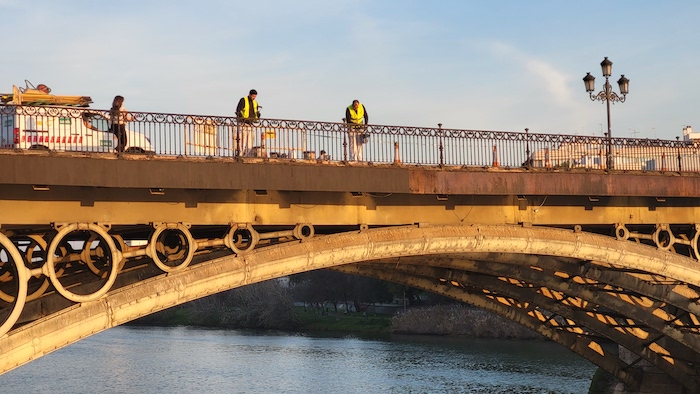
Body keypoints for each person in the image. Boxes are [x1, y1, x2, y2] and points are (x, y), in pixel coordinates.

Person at [236, 89, 260, 157]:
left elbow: (256, 112)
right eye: (253, 96)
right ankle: (240, 154)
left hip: (250, 124)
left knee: (250, 141)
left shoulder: (255, 103)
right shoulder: (243, 100)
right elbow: (238, 110)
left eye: (255, 96)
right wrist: (242, 119)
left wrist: (257, 116)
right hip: (243, 123)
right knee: (242, 140)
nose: (254, 98)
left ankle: (247, 155)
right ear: (249, 94)